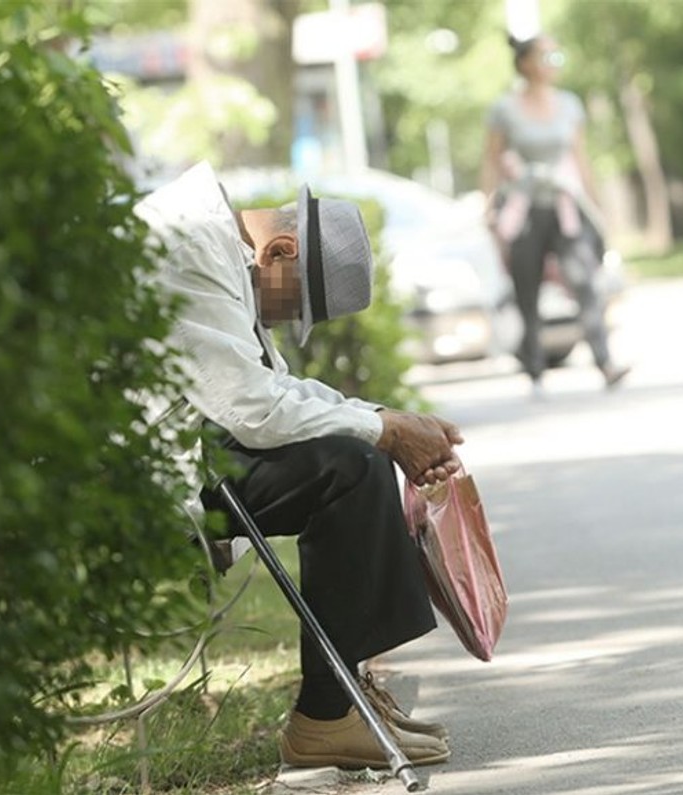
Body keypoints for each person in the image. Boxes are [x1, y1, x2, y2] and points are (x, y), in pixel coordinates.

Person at [135, 162, 460, 770]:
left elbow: (273, 388)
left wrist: (385, 416)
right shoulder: (190, 248)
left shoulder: (226, 247)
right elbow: (252, 407)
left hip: (185, 450)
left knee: (356, 457)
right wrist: (384, 430)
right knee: (351, 468)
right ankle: (325, 716)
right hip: (144, 478)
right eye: (290, 311)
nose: (280, 323)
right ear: (281, 250)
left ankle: (340, 698)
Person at [480, 33, 630, 396]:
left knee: (585, 282)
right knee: (526, 290)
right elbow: (492, 160)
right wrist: (487, 206)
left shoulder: (569, 105)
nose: (554, 63)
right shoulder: (505, 108)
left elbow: (581, 159)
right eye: (547, 56)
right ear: (526, 64)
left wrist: (597, 207)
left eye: (556, 56)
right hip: (524, 208)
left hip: (564, 206)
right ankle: (534, 370)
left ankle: (605, 361)